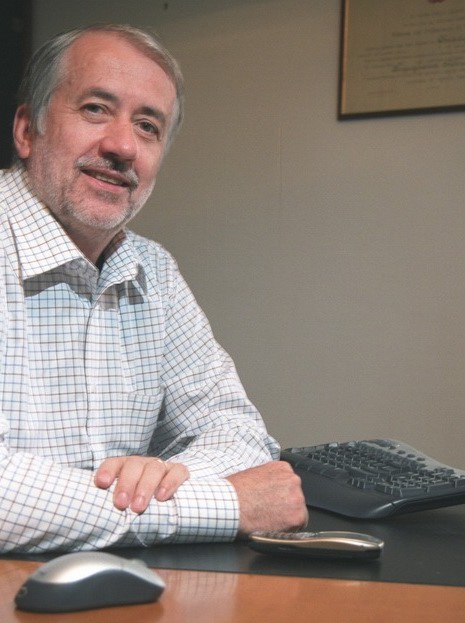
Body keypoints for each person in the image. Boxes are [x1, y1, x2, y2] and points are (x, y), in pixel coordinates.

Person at [0, 23, 307, 554]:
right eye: (95, 108)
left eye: (147, 126)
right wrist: (225, 504)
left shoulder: (153, 270)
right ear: (28, 130)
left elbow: (236, 429)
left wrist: (164, 479)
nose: (123, 146)